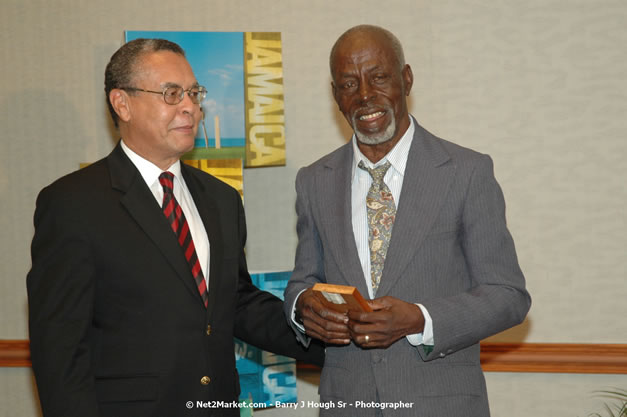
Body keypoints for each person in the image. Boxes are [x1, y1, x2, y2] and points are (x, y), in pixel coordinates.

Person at [27, 38, 323, 417]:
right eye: (172, 94)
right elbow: (60, 351)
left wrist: (331, 337)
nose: (191, 107)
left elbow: (235, 303)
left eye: (194, 93)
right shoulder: (73, 203)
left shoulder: (221, 199)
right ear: (123, 104)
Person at [284, 25, 531, 417]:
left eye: (379, 77)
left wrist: (419, 319)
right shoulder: (314, 180)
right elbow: (304, 278)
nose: (365, 95)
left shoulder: (465, 172)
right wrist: (302, 305)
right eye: (349, 83)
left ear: (407, 79)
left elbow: (508, 295)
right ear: (336, 95)